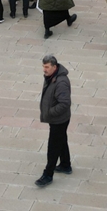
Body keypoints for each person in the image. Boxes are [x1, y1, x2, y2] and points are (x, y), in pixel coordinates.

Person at [35, 54, 72, 187]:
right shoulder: (51, 77)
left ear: (54, 67)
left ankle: (48, 174)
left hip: (59, 120)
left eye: (47, 67)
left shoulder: (60, 82)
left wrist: (50, 113)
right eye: (43, 67)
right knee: (61, 140)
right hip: (57, 119)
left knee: (53, 147)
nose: (44, 70)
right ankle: (65, 165)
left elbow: (64, 103)